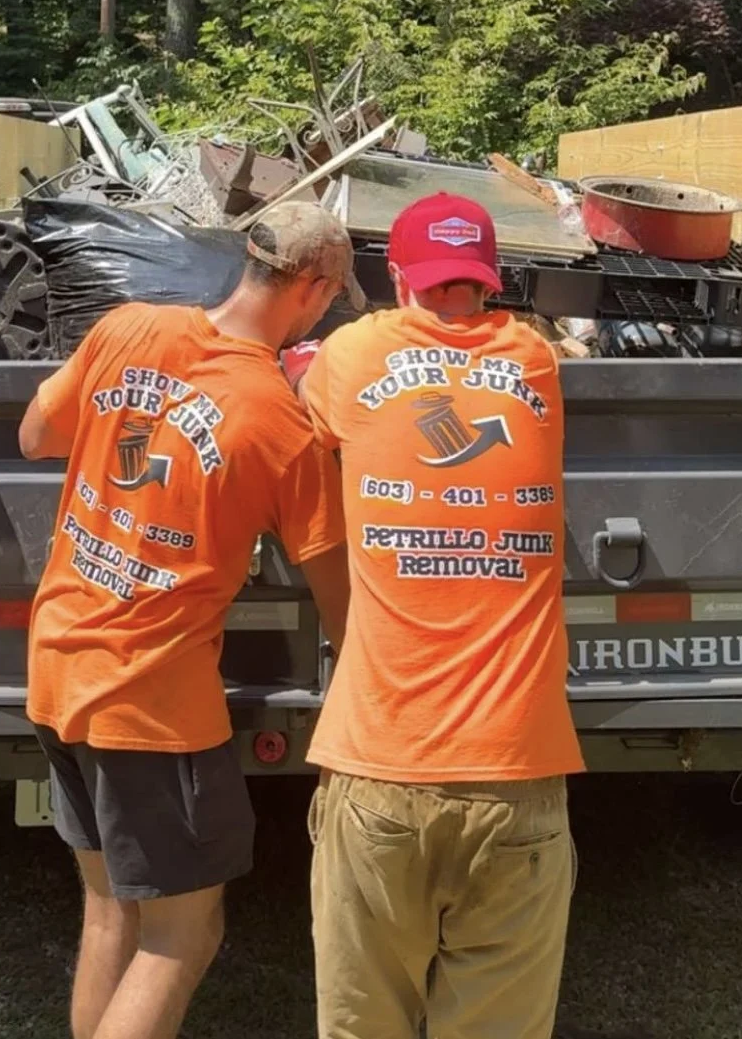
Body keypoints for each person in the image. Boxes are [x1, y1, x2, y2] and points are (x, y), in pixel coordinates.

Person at [18, 202, 358, 1039]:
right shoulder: (284, 424)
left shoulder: (129, 326)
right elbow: (342, 608)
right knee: (184, 934)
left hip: (58, 662)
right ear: (313, 290)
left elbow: (35, 435)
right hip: (152, 703)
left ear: (247, 262)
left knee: (110, 912)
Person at [296, 191, 584, 1039]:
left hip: (380, 765)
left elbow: (298, 412)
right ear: (489, 281)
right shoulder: (535, 363)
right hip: (519, 776)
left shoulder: (350, 356)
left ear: (396, 275)